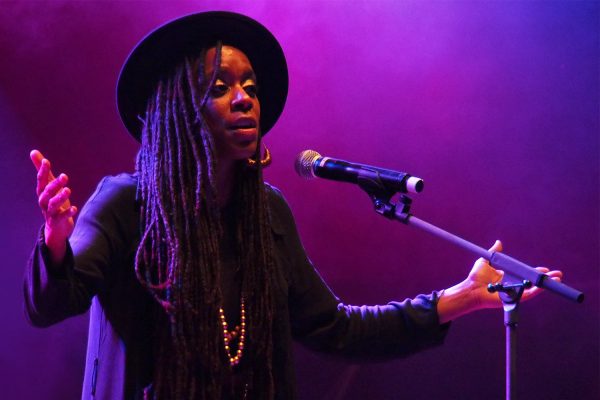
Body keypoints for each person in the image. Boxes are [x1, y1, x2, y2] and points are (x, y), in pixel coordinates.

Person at [24, 11, 562, 400]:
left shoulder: (267, 217)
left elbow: (336, 327)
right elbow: (53, 303)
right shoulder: (128, 204)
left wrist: (460, 298)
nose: (243, 98)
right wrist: (54, 241)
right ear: (176, 110)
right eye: (218, 87)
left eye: (250, 86)